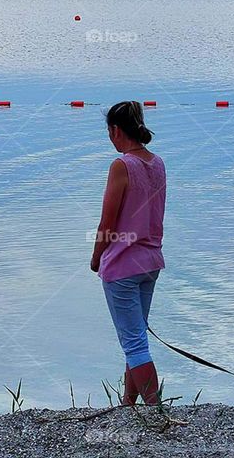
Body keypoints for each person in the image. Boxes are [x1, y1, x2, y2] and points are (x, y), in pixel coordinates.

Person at [91, 100, 166, 405]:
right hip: (151, 263)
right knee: (136, 339)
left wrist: (96, 259)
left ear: (115, 130)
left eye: (109, 132)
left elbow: (107, 221)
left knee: (134, 343)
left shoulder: (121, 165)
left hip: (122, 265)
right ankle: (128, 405)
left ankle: (155, 412)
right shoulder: (157, 162)